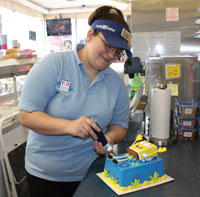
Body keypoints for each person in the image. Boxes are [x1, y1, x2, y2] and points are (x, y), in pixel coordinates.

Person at [18, 5, 132, 197]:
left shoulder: (116, 83)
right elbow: (27, 116)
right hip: (46, 177)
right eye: (108, 46)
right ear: (90, 35)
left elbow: (120, 126)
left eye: (118, 52)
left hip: (93, 173)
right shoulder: (53, 65)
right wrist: (70, 126)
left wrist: (109, 139)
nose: (112, 56)